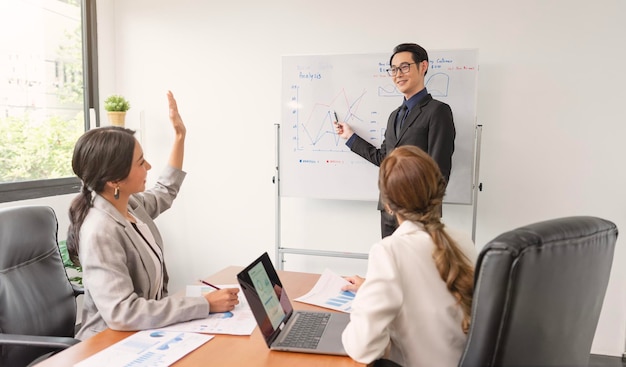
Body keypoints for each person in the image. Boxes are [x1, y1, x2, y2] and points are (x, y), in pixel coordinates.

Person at [66, 91, 239, 340]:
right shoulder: (100, 230)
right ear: (114, 179)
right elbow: (122, 313)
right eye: (140, 162)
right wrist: (206, 304)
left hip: (145, 331)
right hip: (109, 342)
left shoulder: (129, 205)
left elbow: (166, 190)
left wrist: (180, 137)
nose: (148, 167)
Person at [340, 145, 476, 367]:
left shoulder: (390, 252)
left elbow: (362, 346)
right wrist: (370, 287)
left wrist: (365, 299)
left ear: (388, 205)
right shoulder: (462, 241)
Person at [335, 43, 455, 238]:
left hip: (418, 215)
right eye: (393, 69)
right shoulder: (394, 116)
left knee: (415, 268)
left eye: (404, 67)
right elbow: (385, 159)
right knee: (389, 267)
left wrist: (416, 209)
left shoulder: (437, 111)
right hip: (388, 210)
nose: (398, 74)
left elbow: (439, 170)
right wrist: (350, 137)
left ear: (423, 66)